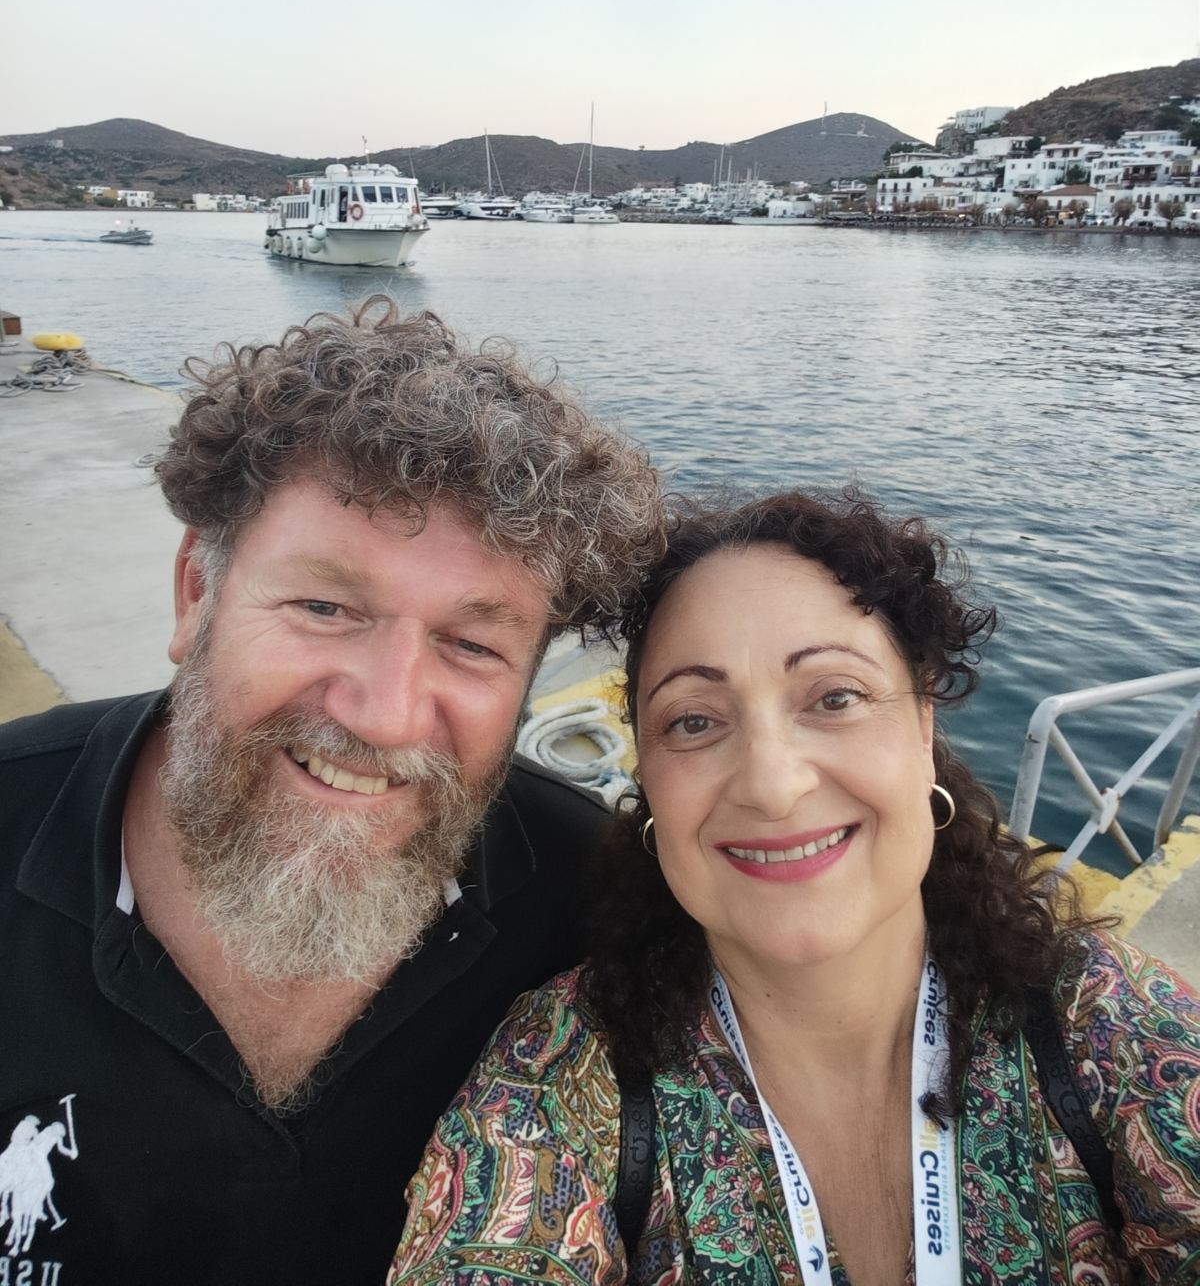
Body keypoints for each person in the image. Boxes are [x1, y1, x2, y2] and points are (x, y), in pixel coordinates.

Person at [0, 297, 664, 1286]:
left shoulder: (601, 909)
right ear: (197, 593)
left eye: (471, 644)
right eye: (323, 605)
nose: (385, 715)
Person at [390, 488, 1200, 1286]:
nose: (773, 786)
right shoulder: (555, 1078)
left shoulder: (1104, 1026)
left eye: (835, 698)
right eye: (694, 720)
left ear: (923, 728)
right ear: (650, 778)